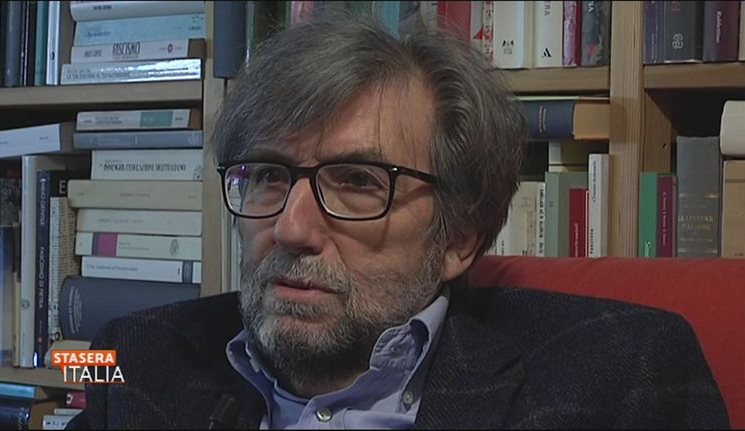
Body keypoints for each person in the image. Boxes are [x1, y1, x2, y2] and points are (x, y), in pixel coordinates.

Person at [68, 12, 729, 430]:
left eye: (359, 182)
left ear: (459, 236)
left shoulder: (623, 374)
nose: (292, 228)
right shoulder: (133, 359)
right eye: (268, 174)